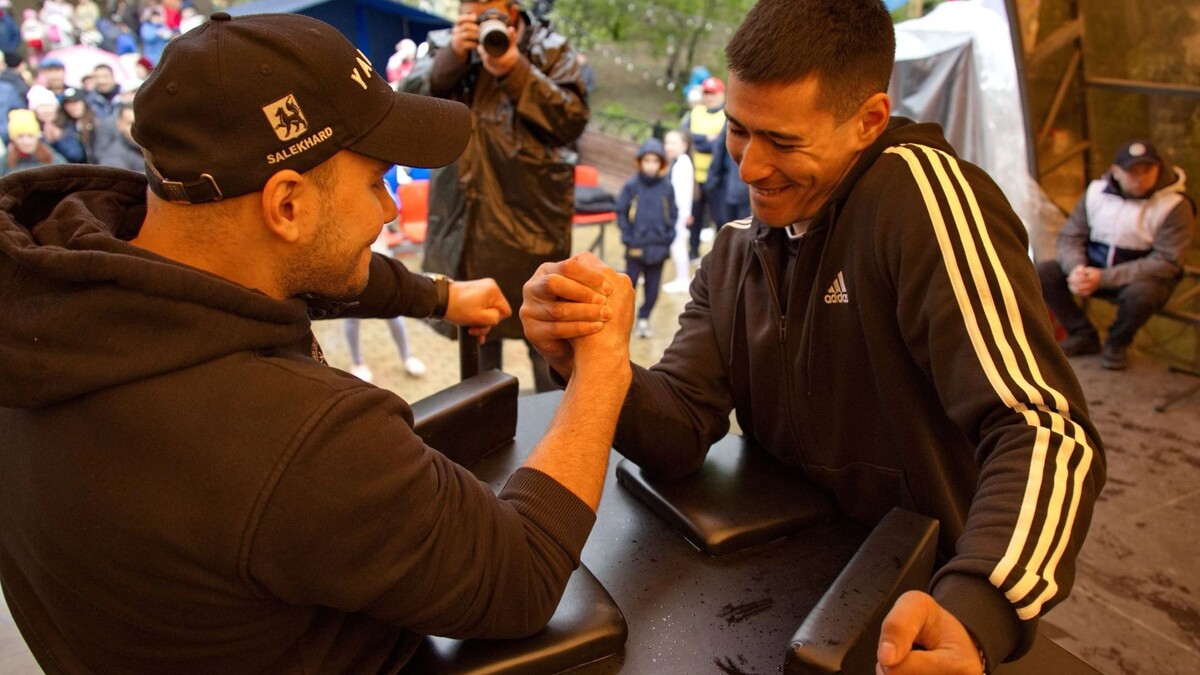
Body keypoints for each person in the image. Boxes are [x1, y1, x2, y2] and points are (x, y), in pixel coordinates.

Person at [0, 12, 635, 672]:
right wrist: (603, 368)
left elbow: (290, 267)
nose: (390, 210)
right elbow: (521, 574)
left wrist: (439, 294)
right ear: (287, 205)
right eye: (374, 182)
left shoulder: (59, 304)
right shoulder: (297, 438)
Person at [521, 1, 1105, 672]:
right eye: (739, 130)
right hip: (786, 595)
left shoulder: (921, 202)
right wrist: (593, 359)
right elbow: (680, 428)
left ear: (869, 121)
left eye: (784, 141)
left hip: (927, 607)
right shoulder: (738, 253)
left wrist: (980, 606)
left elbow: (1044, 429)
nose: (748, 169)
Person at [400, 0, 588, 393]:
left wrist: (516, 71)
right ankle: (486, 429)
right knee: (480, 332)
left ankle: (558, 424)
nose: (482, 11)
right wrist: (451, 59)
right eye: (473, 4)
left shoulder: (550, 49)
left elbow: (572, 120)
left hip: (532, 220)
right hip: (464, 218)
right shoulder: (446, 45)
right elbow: (409, 109)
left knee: (547, 335)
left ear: (513, 7)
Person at [1037, 139, 1195, 371]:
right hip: (1093, 268)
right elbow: (1070, 236)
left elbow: (1166, 261)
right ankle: (1083, 334)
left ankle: (1117, 342)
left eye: (1147, 170)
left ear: (1158, 168)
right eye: (1132, 172)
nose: (1140, 178)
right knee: (1043, 273)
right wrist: (1076, 269)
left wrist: (1103, 277)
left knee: (1143, 295)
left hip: (1141, 277)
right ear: (1116, 172)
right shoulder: (1095, 193)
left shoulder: (1175, 205)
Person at [616, 137, 676, 338]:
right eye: (647, 161)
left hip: (659, 247)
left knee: (652, 290)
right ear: (640, 162)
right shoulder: (632, 186)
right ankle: (624, 322)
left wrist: (669, 236)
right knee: (627, 288)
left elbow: (673, 214)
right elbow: (621, 212)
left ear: (661, 163)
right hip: (636, 246)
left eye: (655, 161)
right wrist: (628, 237)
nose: (651, 166)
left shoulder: (667, 187)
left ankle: (644, 318)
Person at [680, 75, 726, 261]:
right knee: (695, 217)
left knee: (718, 219)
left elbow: (718, 145)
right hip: (695, 177)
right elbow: (688, 137)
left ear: (721, 94)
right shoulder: (696, 112)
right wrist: (707, 138)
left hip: (716, 178)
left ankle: (719, 256)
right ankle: (692, 250)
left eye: (713, 93)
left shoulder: (726, 114)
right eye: (706, 93)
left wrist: (701, 139)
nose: (710, 97)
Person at [662, 128, 695, 294]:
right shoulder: (676, 162)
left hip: (677, 214)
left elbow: (682, 192)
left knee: (678, 245)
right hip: (675, 213)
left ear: (684, 145)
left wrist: (684, 214)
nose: (669, 146)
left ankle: (683, 279)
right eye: (667, 142)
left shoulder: (682, 163)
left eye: (673, 143)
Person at [704, 122, 751, 228]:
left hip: (733, 182)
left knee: (730, 227)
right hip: (740, 183)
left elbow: (719, 149)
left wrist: (713, 179)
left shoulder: (735, 117)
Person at [2, 106, 65, 173]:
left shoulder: (52, 158)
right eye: (20, 137)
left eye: (30, 136)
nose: (26, 141)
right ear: (13, 139)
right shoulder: (5, 163)